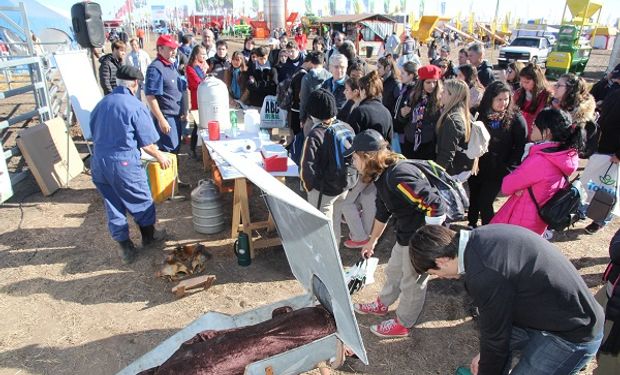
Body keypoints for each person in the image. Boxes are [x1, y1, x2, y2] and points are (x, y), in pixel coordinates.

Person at [409, 224, 604, 375]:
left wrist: (488, 362)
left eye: (434, 273)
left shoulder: (484, 275)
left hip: (571, 334)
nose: (440, 278)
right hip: (548, 313)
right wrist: (487, 357)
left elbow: (496, 340)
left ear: (441, 261)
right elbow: (495, 331)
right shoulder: (479, 237)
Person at [350, 130, 446, 337]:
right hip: (405, 233)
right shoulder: (380, 175)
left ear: (367, 157)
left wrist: (429, 243)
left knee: (412, 281)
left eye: (354, 157)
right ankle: (383, 303)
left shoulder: (398, 175)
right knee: (394, 269)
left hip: (419, 238)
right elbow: (383, 210)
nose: (352, 162)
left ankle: (403, 323)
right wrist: (371, 241)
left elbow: (435, 205)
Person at [90, 66, 171, 264]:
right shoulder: (134, 105)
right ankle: (149, 237)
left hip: (99, 162)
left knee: (113, 204)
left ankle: (125, 248)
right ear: (135, 84)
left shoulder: (101, 104)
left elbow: (93, 132)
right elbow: (148, 143)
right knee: (141, 198)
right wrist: (160, 156)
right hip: (123, 162)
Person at [490, 108, 583, 235]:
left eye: (536, 125)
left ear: (547, 132)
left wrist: (520, 187)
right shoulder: (564, 156)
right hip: (537, 222)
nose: (532, 126)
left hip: (519, 220)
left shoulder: (540, 160)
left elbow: (506, 186)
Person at [467, 81, 527, 228]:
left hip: (499, 168)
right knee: (474, 196)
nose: (503, 103)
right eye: (499, 99)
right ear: (490, 99)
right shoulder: (478, 113)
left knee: (485, 201)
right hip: (477, 165)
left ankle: (489, 228)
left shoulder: (515, 118)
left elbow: (520, 146)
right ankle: (471, 223)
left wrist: (510, 168)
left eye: (506, 99)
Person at [300, 89, 354, 244]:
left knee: (321, 229)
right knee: (334, 222)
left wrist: (310, 188)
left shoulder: (315, 134)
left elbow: (306, 167)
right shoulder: (346, 126)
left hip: (324, 191)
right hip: (343, 185)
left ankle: (324, 261)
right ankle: (335, 253)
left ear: (313, 112)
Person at [581, 71, 620, 235]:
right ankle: (586, 209)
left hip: (615, 151)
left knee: (610, 188)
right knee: (593, 183)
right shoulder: (615, 90)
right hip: (602, 144)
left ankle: (602, 219)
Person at [145, 35, 186, 154]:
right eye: (170, 49)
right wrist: (161, 119)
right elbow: (150, 96)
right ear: (160, 49)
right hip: (167, 117)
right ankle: (171, 173)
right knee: (169, 150)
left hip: (175, 115)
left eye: (174, 49)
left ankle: (174, 171)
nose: (173, 52)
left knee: (175, 148)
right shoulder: (156, 68)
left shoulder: (171, 65)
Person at [402, 65, 442, 160]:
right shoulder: (412, 96)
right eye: (428, 82)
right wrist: (402, 115)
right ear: (421, 82)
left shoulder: (440, 100)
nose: (432, 86)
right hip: (410, 142)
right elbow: (405, 120)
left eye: (434, 82)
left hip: (428, 145)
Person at [435, 79, 473, 177]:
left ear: (453, 96)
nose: (441, 93)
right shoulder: (463, 114)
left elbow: (446, 155)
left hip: (451, 173)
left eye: (444, 91)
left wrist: (435, 176)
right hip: (458, 170)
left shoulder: (452, 120)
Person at [347, 71, 393, 141]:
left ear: (364, 91)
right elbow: (389, 141)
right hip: (382, 151)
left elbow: (349, 138)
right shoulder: (386, 112)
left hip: (362, 151)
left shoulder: (359, 112)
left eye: (360, 89)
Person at [513, 63, 551, 140]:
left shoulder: (547, 96)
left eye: (527, 82)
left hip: (537, 137)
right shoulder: (519, 93)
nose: (523, 85)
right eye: (521, 81)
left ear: (537, 81)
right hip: (519, 134)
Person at [300, 51, 332, 134]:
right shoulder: (330, 76)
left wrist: (302, 118)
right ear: (324, 63)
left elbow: (303, 99)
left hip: (311, 117)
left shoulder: (306, 78)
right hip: (328, 119)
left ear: (311, 63)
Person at [185, 45, 208, 159]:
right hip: (197, 100)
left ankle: (205, 150)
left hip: (205, 99)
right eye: (202, 54)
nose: (204, 56)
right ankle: (193, 149)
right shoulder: (190, 68)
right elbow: (198, 83)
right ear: (196, 54)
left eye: (205, 54)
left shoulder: (202, 66)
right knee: (196, 126)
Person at [393, 62, 418, 151]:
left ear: (411, 75)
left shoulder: (413, 92)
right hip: (399, 130)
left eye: (403, 73)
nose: (400, 75)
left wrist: (402, 116)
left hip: (405, 134)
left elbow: (407, 113)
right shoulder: (405, 87)